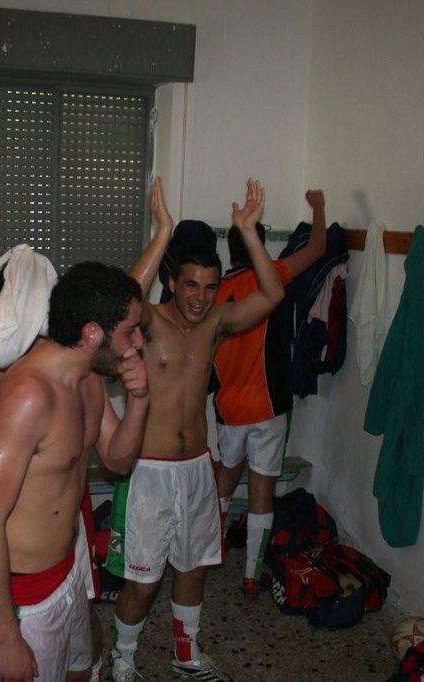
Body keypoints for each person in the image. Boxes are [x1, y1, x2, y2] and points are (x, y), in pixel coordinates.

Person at [107, 178, 284, 682]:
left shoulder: (216, 324)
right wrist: (162, 230)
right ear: (173, 281)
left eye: (210, 287)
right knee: (143, 582)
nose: (201, 298)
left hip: (197, 470)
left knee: (194, 568)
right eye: (191, 285)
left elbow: (273, 293)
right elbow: (122, 298)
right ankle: (122, 659)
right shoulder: (148, 324)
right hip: (149, 472)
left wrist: (247, 232)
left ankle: (185, 654)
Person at [0, 261, 149, 682]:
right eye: (130, 331)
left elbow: (118, 460)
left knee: (81, 669)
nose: (137, 342)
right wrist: (6, 638)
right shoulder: (29, 397)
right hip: (21, 596)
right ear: (92, 334)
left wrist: (139, 400)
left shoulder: (87, 380)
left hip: (67, 571)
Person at [213, 188, 327, 597]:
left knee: (225, 479)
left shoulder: (213, 292)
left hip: (228, 407)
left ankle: (211, 552)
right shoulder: (272, 277)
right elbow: (318, 248)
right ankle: (252, 573)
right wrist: (318, 207)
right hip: (268, 406)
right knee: (262, 489)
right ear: (260, 246)